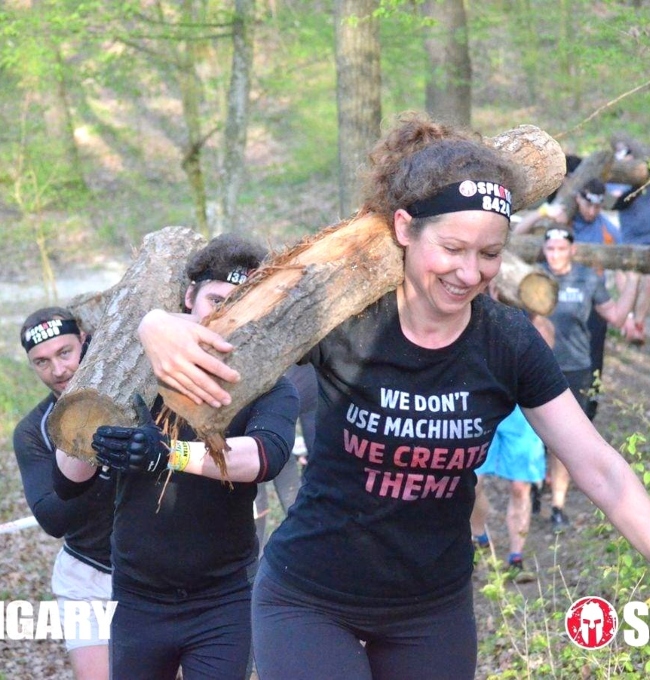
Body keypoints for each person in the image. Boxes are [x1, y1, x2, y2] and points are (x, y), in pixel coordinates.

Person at [136, 112, 650, 680]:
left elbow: (600, 469)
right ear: (405, 228)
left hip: (432, 612)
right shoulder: (342, 319)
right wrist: (154, 324)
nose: (469, 272)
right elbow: (233, 319)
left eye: (489, 253)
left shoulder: (506, 342)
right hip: (309, 600)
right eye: (452, 248)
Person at [54, 235, 299, 680]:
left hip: (223, 599)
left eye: (241, 304)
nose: (225, 315)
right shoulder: (138, 366)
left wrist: (169, 453)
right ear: (189, 297)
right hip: (138, 598)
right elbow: (68, 480)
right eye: (216, 300)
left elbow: (265, 457)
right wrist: (93, 418)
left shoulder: (270, 383)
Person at [13, 307, 115, 680]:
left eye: (65, 353)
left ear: (84, 341)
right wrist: (104, 470)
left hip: (156, 570)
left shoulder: (135, 397)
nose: (58, 370)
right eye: (42, 362)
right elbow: (51, 518)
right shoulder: (33, 430)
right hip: (86, 573)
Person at [541, 225, 640, 533]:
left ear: (573, 250)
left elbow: (616, 316)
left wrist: (633, 281)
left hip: (576, 368)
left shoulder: (587, 279)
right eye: (550, 249)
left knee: (564, 441)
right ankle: (532, 488)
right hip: (536, 366)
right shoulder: (533, 277)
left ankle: (557, 506)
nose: (555, 255)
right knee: (537, 438)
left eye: (561, 249)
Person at [470, 312, 554, 582]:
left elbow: (547, 360)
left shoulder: (540, 320)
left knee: (520, 487)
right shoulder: (484, 310)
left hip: (524, 411)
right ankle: (479, 536)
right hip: (486, 404)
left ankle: (516, 558)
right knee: (471, 484)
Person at [610, 135, 650, 345]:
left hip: (648, 239)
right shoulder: (618, 178)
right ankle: (629, 318)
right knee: (622, 272)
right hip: (627, 238)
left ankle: (639, 323)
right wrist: (638, 185)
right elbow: (616, 202)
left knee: (648, 279)